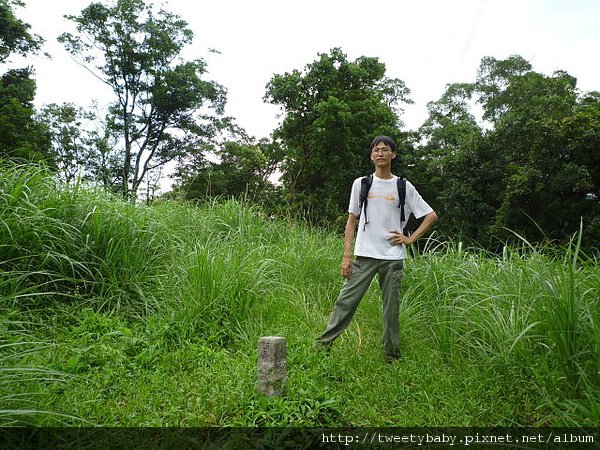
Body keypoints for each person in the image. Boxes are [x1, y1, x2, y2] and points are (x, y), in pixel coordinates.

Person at [315, 135, 438, 362]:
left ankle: (392, 355)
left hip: (392, 257)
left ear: (393, 154)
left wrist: (410, 239)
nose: (380, 153)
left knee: (391, 309)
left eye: (385, 149)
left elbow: (431, 215)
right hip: (364, 255)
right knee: (346, 301)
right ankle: (322, 345)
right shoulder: (361, 183)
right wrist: (346, 256)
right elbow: (351, 221)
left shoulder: (403, 186)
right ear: (371, 155)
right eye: (376, 150)